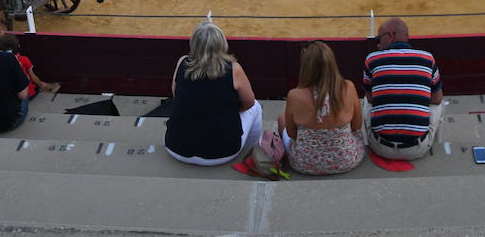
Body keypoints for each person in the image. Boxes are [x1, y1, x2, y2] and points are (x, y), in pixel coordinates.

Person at [165, 21, 263, 166]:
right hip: (222, 153)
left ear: (194, 43)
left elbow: (176, 94)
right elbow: (249, 103)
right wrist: (229, 111)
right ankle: (253, 151)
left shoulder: (182, 62)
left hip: (176, 148)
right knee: (256, 107)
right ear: (221, 43)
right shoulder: (233, 69)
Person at [277, 41, 365, 176]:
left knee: (281, 118)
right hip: (346, 160)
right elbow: (356, 126)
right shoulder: (348, 87)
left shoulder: (294, 95)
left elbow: (292, 134)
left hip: (304, 163)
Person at [361, 17, 443, 160]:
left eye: (379, 39)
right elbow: (436, 99)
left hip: (381, 147)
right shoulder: (427, 58)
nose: (378, 44)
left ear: (391, 36)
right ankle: (436, 143)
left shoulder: (372, 59)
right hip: (417, 149)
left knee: (366, 101)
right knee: (440, 100)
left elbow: (370, 99)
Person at [0, 33, 59, 98]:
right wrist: (42, 85)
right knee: (35, 86)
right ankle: (44, 87)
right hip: (26, 94)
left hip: (7, 94)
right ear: (18, 46)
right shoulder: (24, 59)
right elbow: (33, 77)